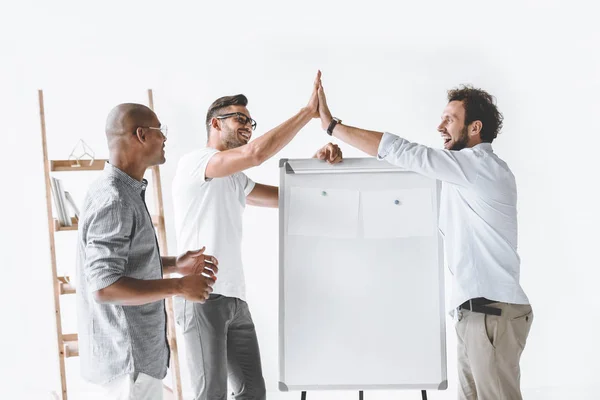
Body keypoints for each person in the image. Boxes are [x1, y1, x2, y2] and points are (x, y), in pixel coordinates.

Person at [315, 76, 532, 400]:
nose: (440, 126)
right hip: (476, 313)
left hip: (492, 315)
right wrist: (339, 163)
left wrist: (333, 126)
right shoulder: (462, 176)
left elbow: (404, 152)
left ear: (475, 128)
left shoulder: (477, 165)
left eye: (450, 119)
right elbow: (404, 166)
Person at [172, 71, 342, 400]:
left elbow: (289, 198)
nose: (248, 127)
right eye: (240, 119)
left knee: (252, 393)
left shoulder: (235, 179)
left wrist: (318, 164)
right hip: (201, 297)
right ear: (215, 124)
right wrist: (308, 113)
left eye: (251, 122)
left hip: (235, 299)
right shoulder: (196, 163)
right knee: (211, 395)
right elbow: (256, 154)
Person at [76, 103, 219, 400]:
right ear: (140, 135)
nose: (165, 139)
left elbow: (126, 263)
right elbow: (104, 286)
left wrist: (175, 264)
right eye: (159, 131)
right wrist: (179, 286)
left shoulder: (119, 191)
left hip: (132, 362)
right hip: (128, 365)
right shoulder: (114, 198)